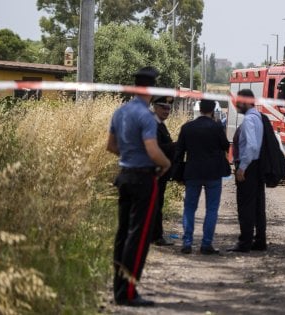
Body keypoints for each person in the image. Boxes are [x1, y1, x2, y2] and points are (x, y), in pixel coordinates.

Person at [106, 66, 171, 307]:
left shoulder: (120, 112)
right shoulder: (145, 116)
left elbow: (111, 146)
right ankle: (129, 292)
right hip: (144, 179)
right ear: (151, 90)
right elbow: (153, 151)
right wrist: (166, 164)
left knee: (123, 234)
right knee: (139, 236)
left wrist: (130, 154)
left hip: (124, 175)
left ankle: (118, 289)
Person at [173, 99, 230, 255]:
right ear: (212, 110)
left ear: (198, 109)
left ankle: (187, 243)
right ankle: (206, 245)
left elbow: (179, 152)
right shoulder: (217, 127)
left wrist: (177, 173)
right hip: (213, 174)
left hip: (192, 172)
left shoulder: (187, 127)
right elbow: (226, 146)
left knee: (190, 208)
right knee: (211, 209)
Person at [228, 89, 266, 253]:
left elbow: (251, 146)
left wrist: (242, 168)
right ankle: (259, 241)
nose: (236, 105)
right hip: (256, 166)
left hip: (249, 167)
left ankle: (244, 243)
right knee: (257, 205)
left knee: (246, 206)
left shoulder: (250, 120)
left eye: (238, 102)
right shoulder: (258, 118)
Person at [151, 96, 176, 246]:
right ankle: (156, 236)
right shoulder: (153, 124)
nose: (167, 111)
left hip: (161, 172)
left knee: (157, 204)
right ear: (155, 107)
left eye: (168, 108)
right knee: (155, 204)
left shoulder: (160, 124)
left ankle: (155, 235)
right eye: (163, 108)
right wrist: (175, 146)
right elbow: (156, 148)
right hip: (156, 172)